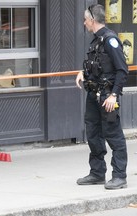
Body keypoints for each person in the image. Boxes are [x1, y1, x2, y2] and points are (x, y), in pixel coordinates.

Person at [75, 4, 128, 190]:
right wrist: (83, 73)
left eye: (85, 20)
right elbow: (98, 66)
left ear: (92, 20)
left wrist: (114, 95)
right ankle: (97, 173)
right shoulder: (96, 40)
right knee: (93, 134)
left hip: (107, 97)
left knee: (113, 135)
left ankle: (119, 176)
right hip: (93, 95)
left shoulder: (110, 40)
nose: (84, 23)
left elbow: (122, 70)